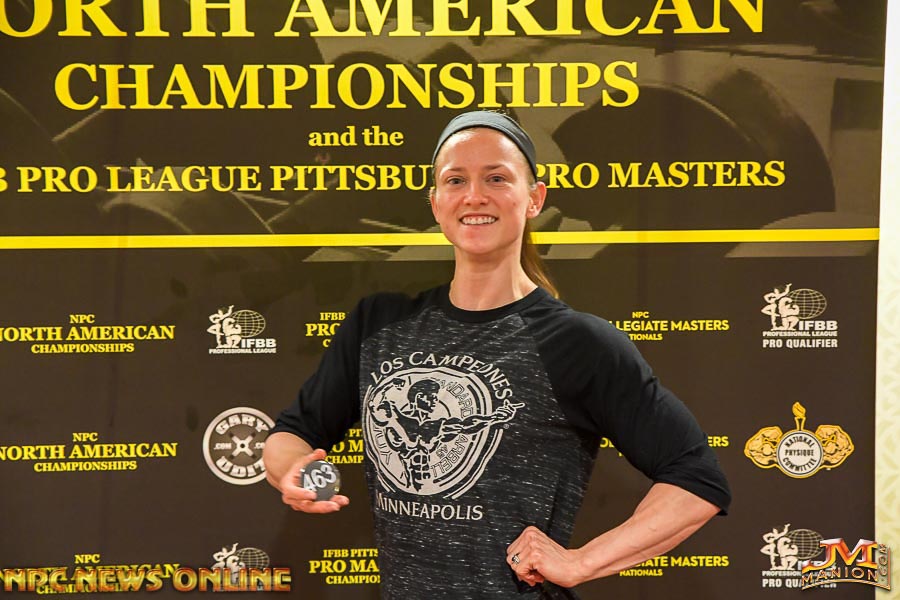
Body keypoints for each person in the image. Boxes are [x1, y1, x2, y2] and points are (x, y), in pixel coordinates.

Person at [263, 110, 731, 599]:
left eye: (497, 178)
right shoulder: (378, 325)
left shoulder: (577, 343)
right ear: (436, 203)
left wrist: (582, 562)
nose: (474, 196)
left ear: (535, 198)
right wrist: (293, 470)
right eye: (455, 180)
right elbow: (293, 434)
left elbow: (697, 479)